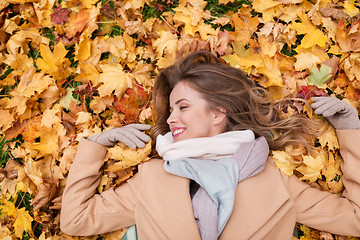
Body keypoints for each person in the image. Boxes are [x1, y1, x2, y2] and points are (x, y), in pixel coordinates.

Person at [60, 51, 360, 240]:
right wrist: (97, 146)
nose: (171, 118)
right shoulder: (151, 179)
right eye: (171, 110)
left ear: (218, 113)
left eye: (183, 107)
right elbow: (75, 221)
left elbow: (355, 219)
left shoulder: (276, 182)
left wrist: (350, 130)